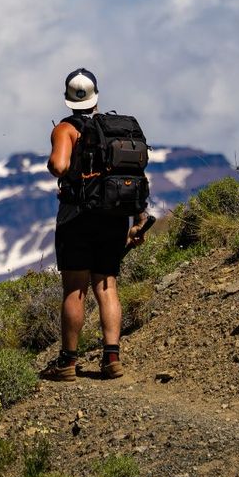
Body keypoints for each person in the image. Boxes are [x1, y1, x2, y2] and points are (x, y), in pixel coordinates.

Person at [40, 68, 149, 382]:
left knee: (75, 289)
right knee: (107, 286)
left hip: (78, 218)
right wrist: (139, 218)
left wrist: (54, 163)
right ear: (96, 96)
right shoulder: (116, 129)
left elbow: (59, 165)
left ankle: (67, 362)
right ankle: (111, 358)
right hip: (115, 216)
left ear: (68, 98)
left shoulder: (66, 128)